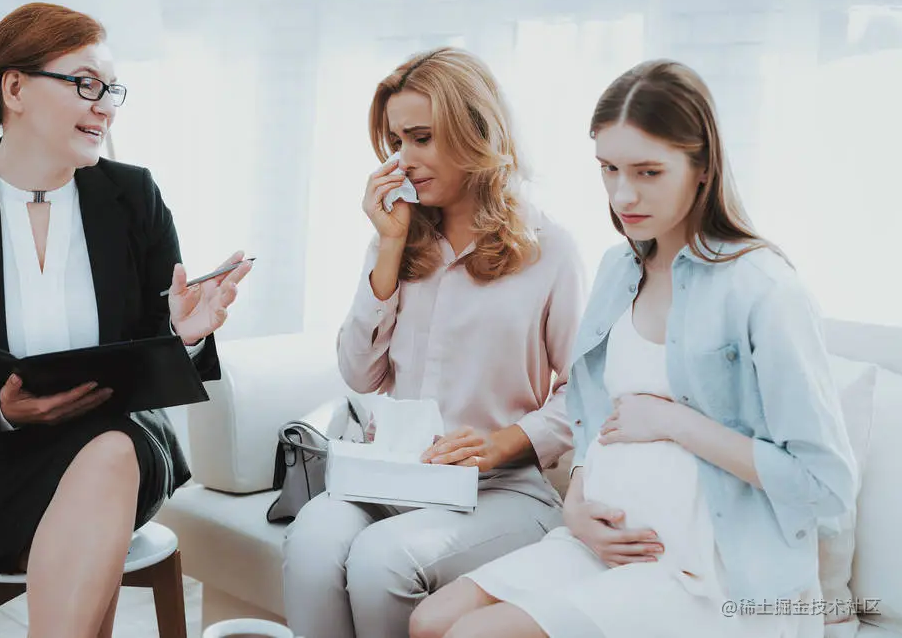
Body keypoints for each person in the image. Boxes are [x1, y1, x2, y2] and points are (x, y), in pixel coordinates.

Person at [409, 59, 858, 638]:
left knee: (475, 635)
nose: (623, 194)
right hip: (601, 544)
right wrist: (577, 507)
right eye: (609, 169)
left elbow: (824, 484)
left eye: (648, 172)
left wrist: (676, 422)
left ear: (703, 167)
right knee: (430, 621)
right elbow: (591, 416)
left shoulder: (763, 289)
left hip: (709, 573)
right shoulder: (618, 269)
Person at [0, 3, 252, 638]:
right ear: (15, 89)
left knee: (107, 455)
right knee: (89, 522)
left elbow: (155, 368)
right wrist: (0, 412)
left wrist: (183, 338)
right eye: (85, 83)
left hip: (119, 448)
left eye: (112, 89)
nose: (105, 106)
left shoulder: (134, 198)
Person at [281, 47, 585, 638]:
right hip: (394, 477)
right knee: (313, 541)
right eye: (397, 141)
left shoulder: (550, 248)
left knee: (382, 562)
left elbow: (586, 393)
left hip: (501, 491)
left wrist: (499, 445)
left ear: (476, 131)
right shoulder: (395, 238)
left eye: (422, 138)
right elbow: (359, 373)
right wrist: (389, 247)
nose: (405, 159)